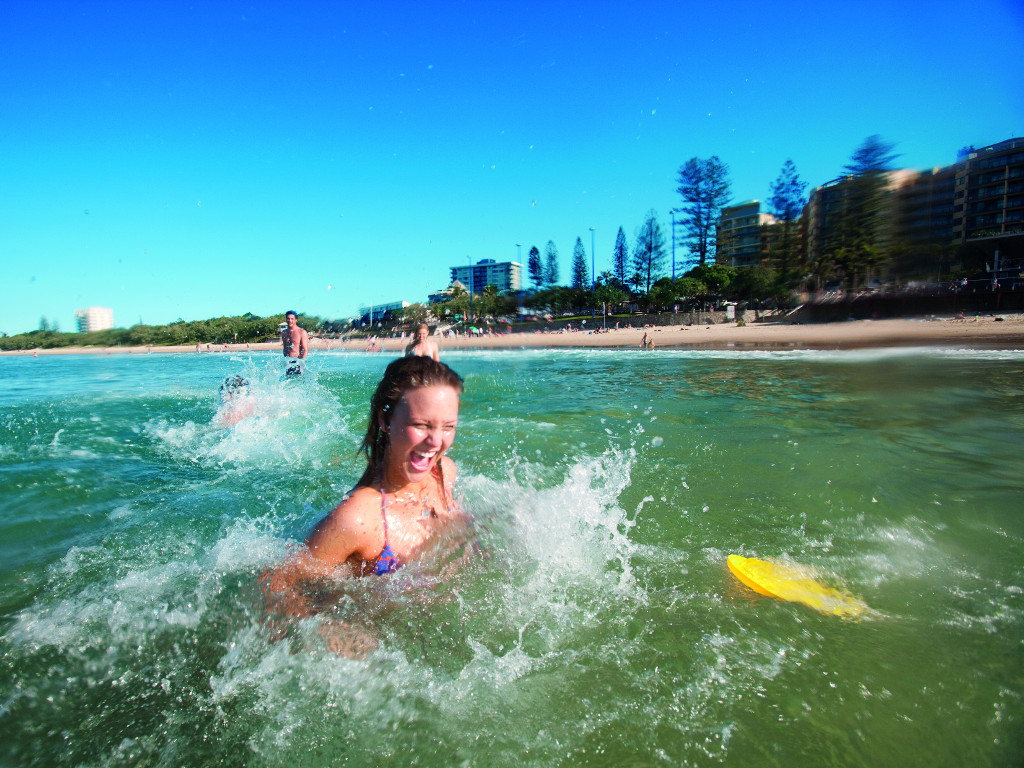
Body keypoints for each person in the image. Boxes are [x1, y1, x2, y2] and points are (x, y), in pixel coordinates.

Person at [263, 357, 467, 638]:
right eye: (421, 424)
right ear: (385, 420)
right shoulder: (358, 518)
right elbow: (277, 582)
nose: (436, 442)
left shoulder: (444, 472)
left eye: (448, 427)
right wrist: (325, 631)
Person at [281, 310, 309, 376]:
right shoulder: (284, 333)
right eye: (288, 318)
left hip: (297, 362)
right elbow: (285, 348)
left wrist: (301, 364)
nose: (290, 320)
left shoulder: (301, 332)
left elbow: (305, 350)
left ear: (296, 320)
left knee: (297, 383)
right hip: (287, 362)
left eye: (292, 319)